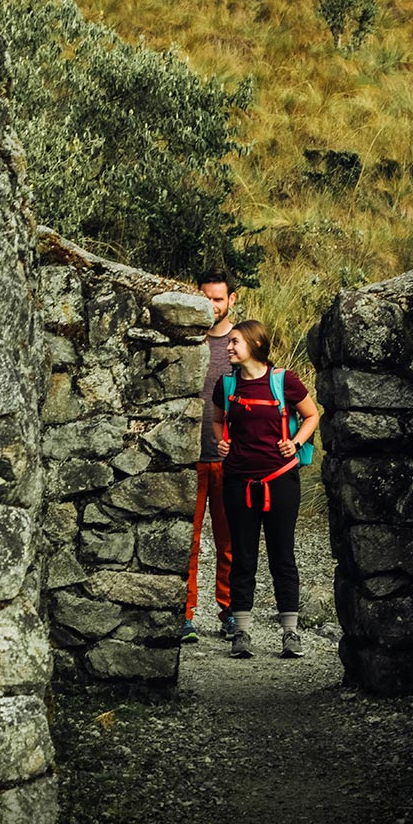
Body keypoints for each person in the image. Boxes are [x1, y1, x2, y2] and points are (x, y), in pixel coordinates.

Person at [212, 320, 320, 659]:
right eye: (229, 343)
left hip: (281, 482)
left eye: (235, 342)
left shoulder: (283, 381)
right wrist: (221, 442)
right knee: (242, 557)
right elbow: (218, 420)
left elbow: (311, 414)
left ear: (256, 345)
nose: (228, 348)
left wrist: (296, 442)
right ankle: (241, 633)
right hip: (238, 483)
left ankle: (290, 634)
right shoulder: (226, 383)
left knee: (282, 557)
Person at [182, 269, 238, 644]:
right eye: (206, 298)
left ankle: (231, 612)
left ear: (232, 299)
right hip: (187, 457)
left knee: (230, 541)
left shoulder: (241, 342)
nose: (212, 306)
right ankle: (183, 616)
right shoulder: (183, 340)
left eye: (219, 299)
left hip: (228, 458)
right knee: (186, 542)